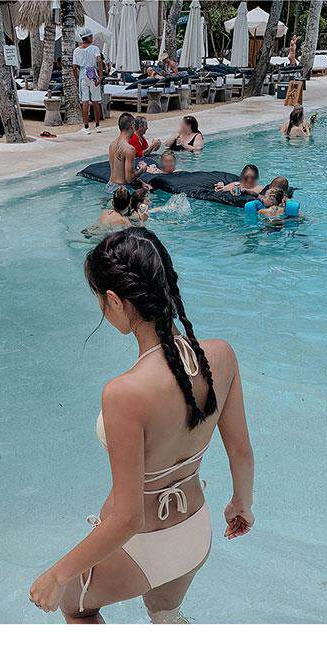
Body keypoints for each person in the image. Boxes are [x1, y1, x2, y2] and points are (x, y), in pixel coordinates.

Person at [28, 227, 255, 622]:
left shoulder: (125, 392)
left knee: (75, 607)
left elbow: (129, 518)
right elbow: (241, 451)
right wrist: (241, 506)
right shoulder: (221, 356)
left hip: (143, 545)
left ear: (115, 300)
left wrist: (57, 575)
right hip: (195, 534)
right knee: (165, 616)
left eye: (100, 299)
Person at [72, 28, 103, 134]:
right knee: (96, 100)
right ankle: (97, 126)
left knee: (85, 101)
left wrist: (77, 79)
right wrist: (100, 76)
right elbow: (99, 60)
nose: (92, 38)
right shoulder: (95, 48)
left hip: (82, 74)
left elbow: (74, 67)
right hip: (93, 73)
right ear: (88, 37)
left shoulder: (76, 50)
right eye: (91, 36)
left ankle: (86, 127)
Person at [107, 114, 141, 193]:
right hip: (122, 190)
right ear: (132, 126)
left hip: (110, 186)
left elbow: (119, 170)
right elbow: (129, 179)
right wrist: (142, 170)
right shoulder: (130, 149)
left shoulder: (112, 144)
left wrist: (142, 183)